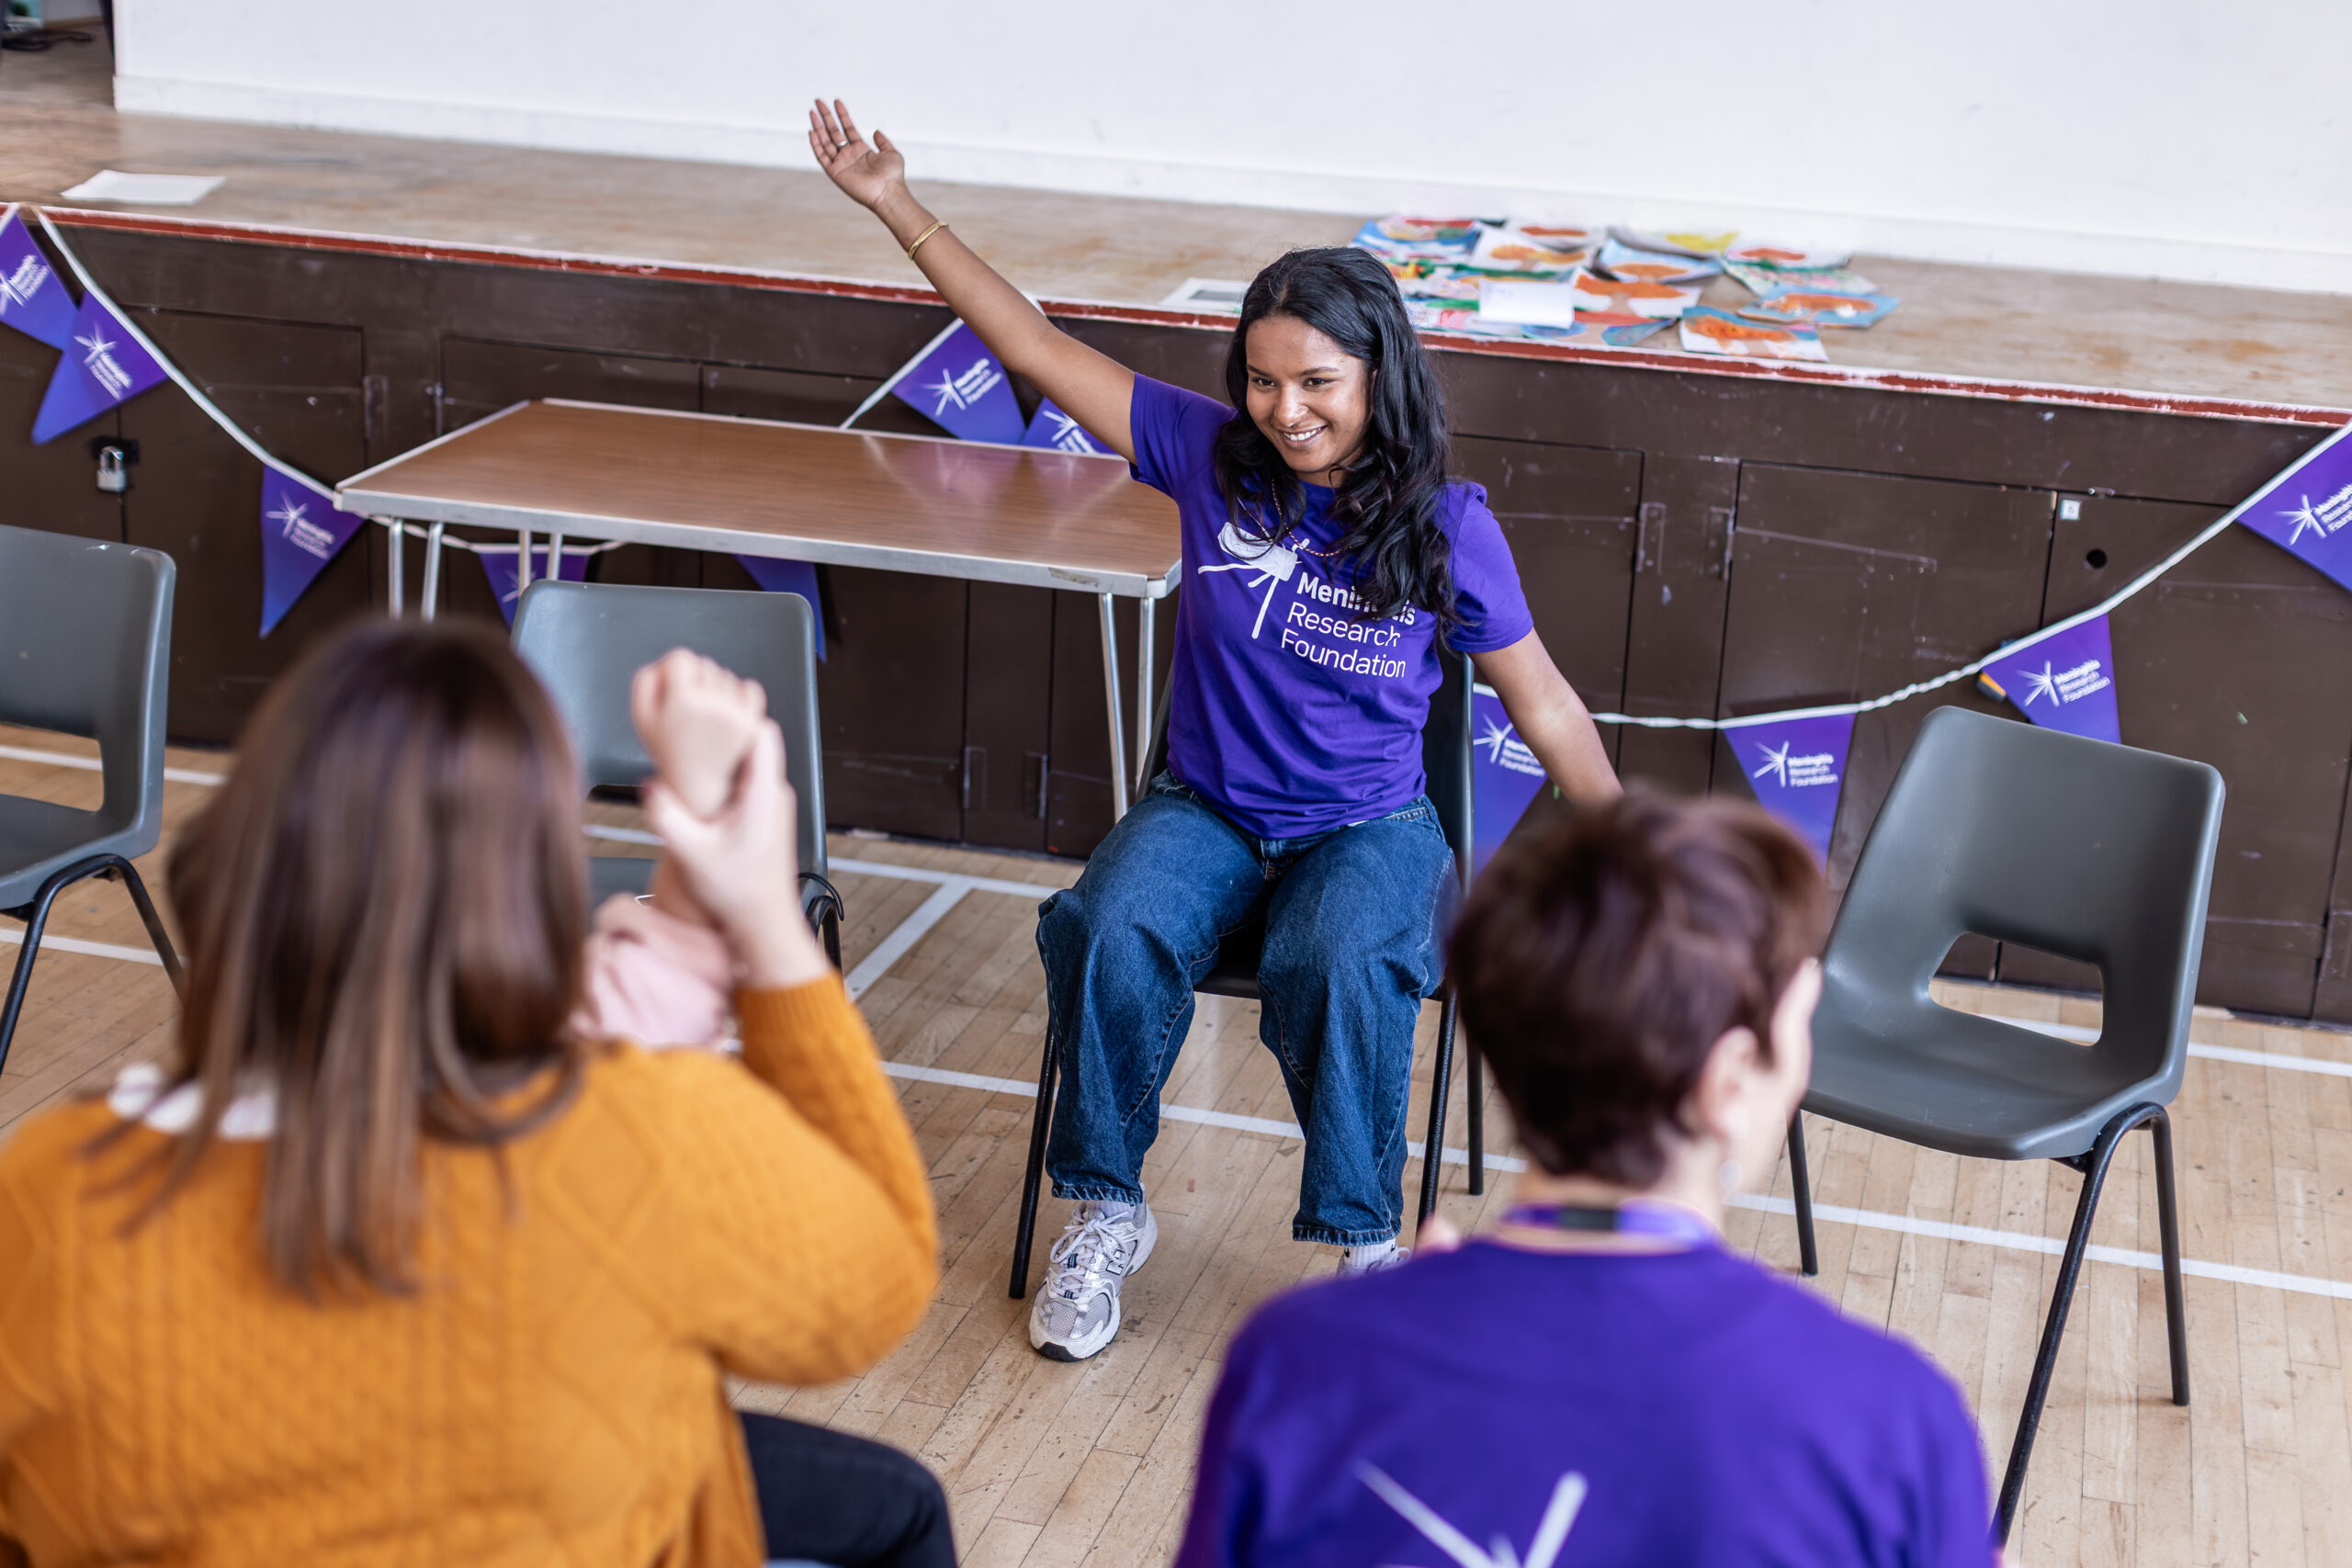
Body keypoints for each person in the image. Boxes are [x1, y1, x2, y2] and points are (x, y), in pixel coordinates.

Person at [810, 98, 1624, 1362]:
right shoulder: (1206, 455)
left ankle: (1365, 1243)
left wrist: (1640, 865)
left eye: (1318, 383)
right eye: (1263, 377)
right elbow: (1028, 345)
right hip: (1208, 809)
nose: (1287, 408)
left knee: (1340, 955)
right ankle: (1109, 1209)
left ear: (1378, 380)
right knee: (1105, 919)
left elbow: (1549, 703)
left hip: (1365, 824)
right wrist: (895, 203)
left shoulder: (1450, 527)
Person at [0, 623, 952, 1567]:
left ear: (238, 868)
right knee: (893, 1506)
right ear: (532, 907)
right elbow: (882, 1279)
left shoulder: (53, 1198)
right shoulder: (642, 1138)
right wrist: (762, 916)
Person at [1173, 795, 1996, 1566]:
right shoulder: (1896, 1423)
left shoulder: (1295, 1361)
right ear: (1729, 1078)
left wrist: (1383, 1349)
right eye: (1798, 1024)